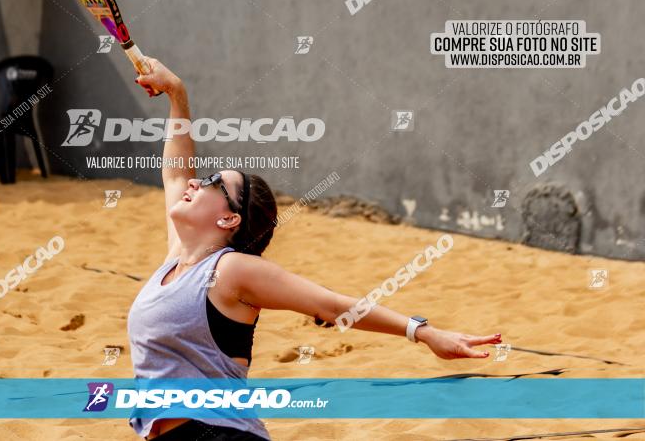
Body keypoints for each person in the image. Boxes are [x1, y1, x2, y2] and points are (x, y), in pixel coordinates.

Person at [127, 57, 502, 440]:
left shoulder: (231, 270)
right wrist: (177, 94)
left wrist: (422, 332)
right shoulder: (176, 259)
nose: (193, 183)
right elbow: (176, 170)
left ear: (229, 219)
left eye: (210, 182)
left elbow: (332, 306)